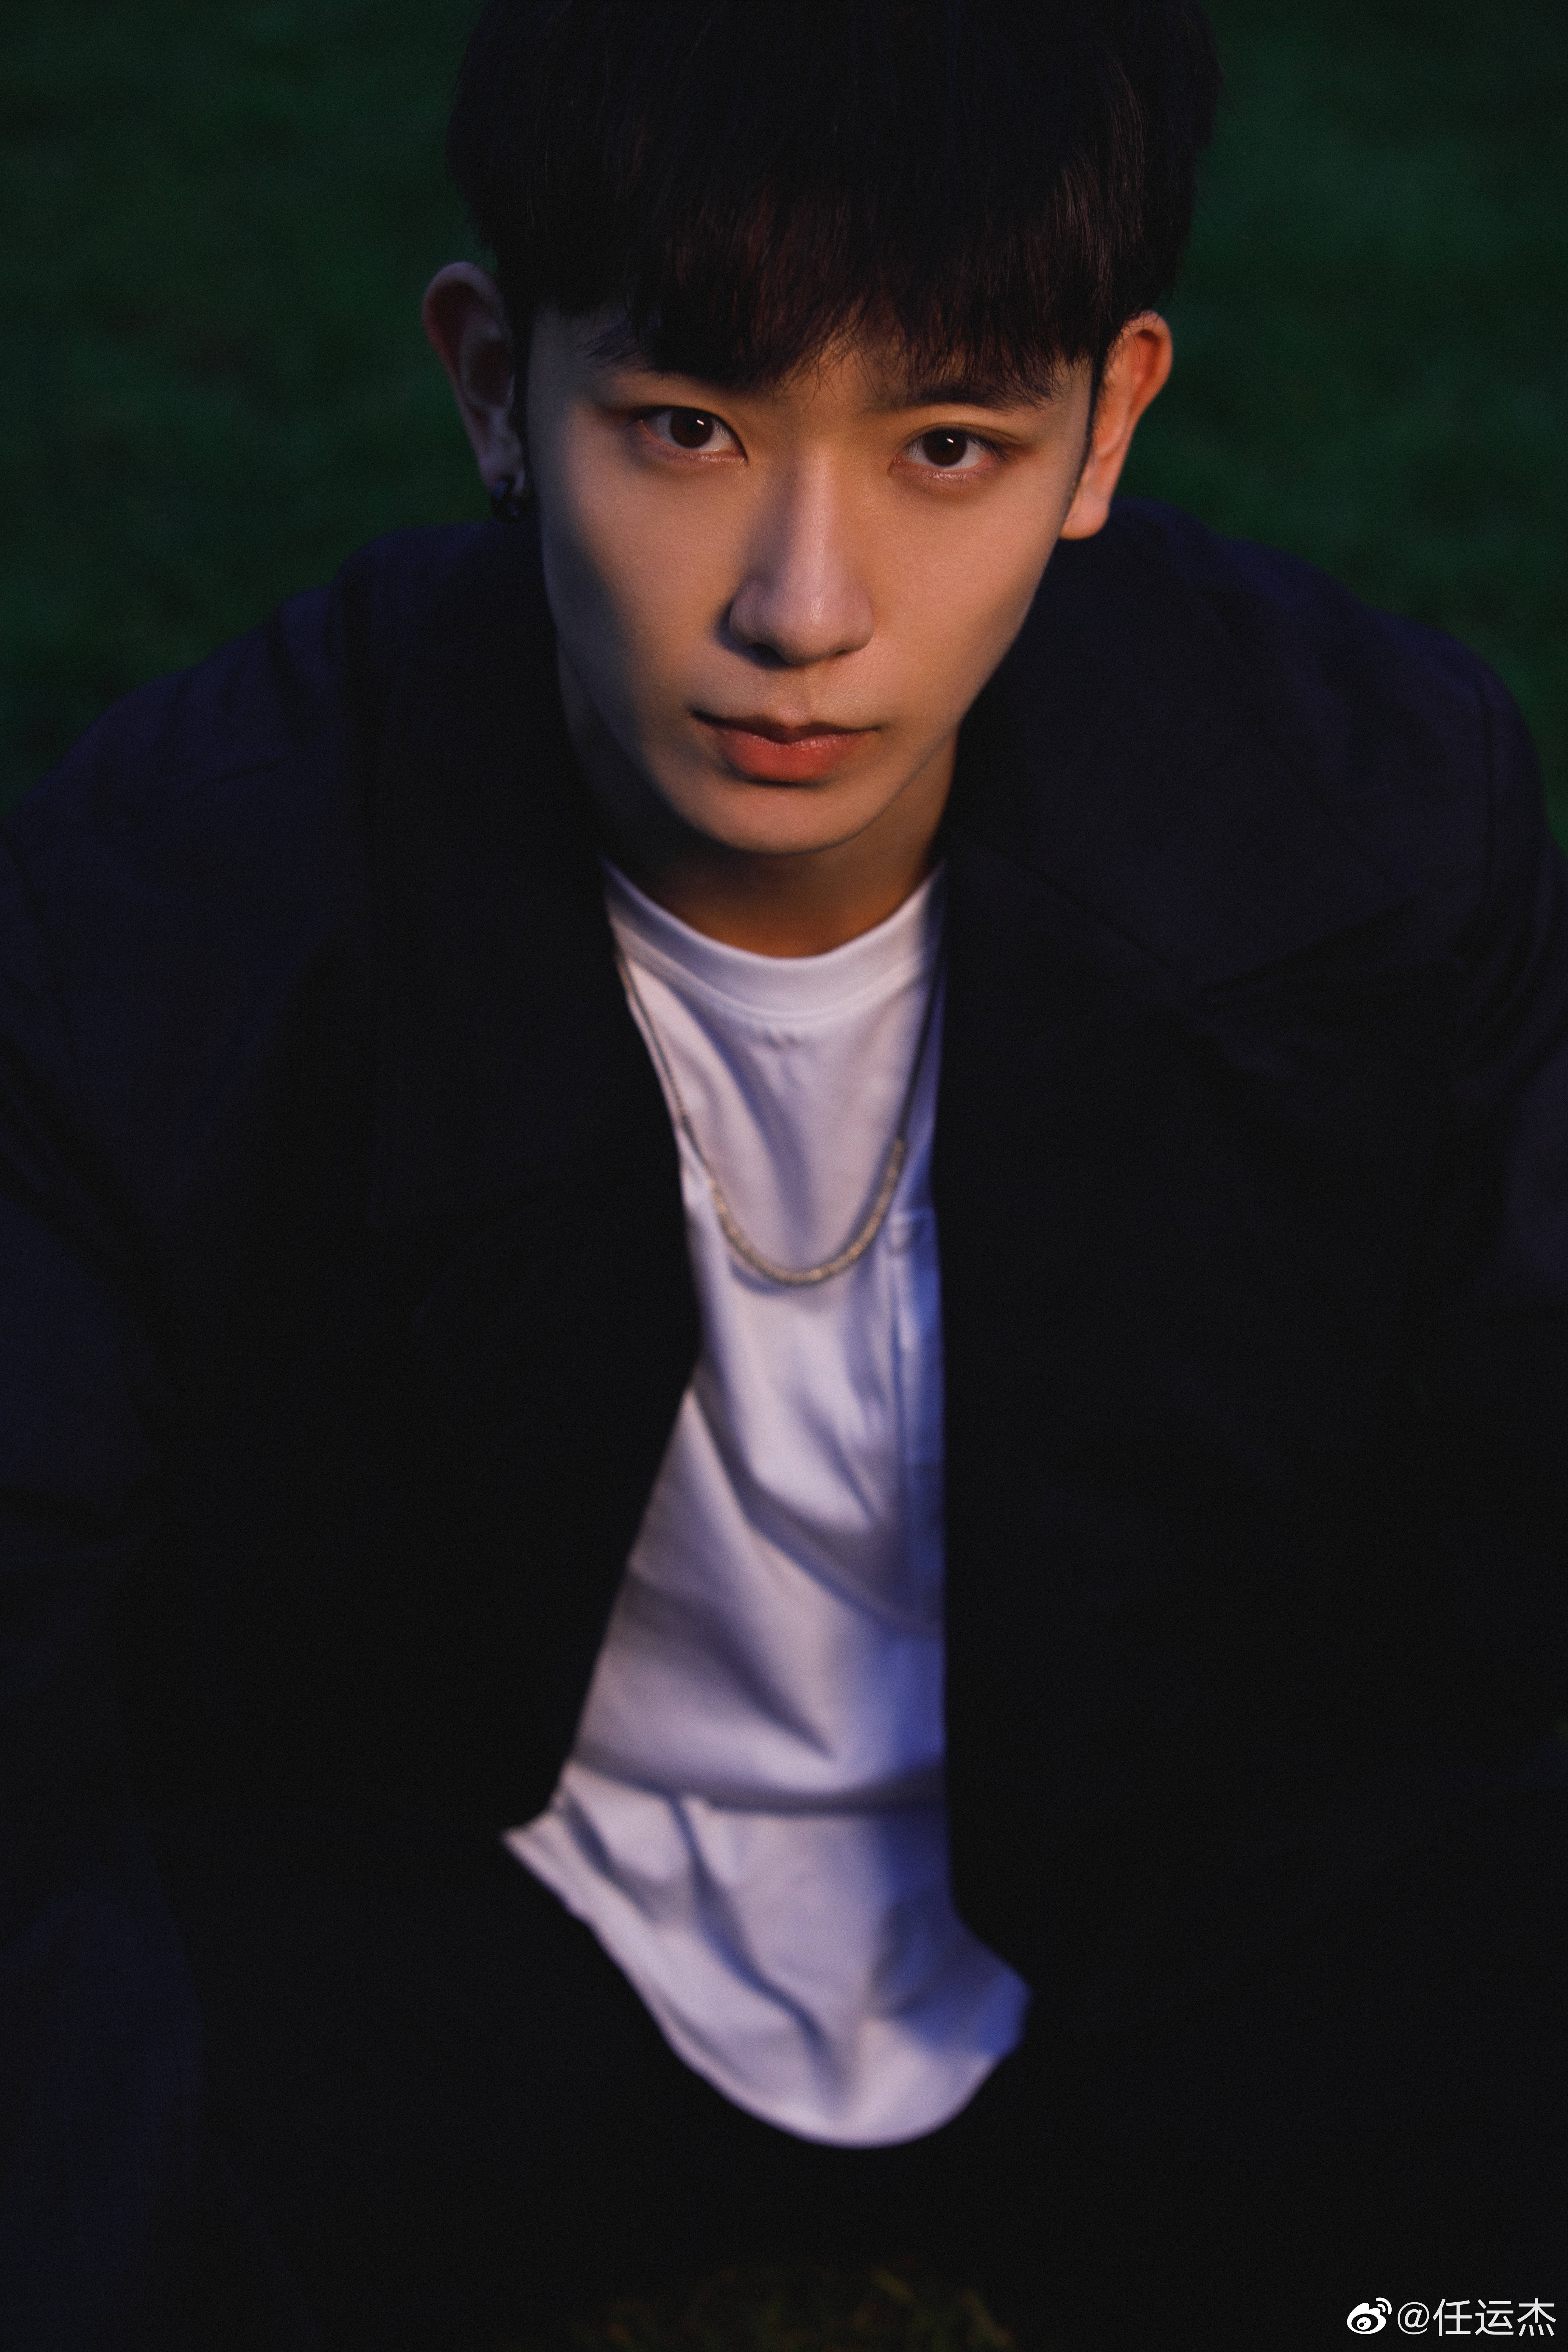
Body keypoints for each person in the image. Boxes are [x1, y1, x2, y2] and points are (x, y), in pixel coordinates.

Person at [2, 3, 1564, 2346]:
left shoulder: (1372, 829)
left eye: (948, 445)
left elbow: (1501, 1533)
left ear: (1107, 426)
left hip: (1152, 1915)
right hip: (470, 1913)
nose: (802, 609)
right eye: (688, 426)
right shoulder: (193, 883)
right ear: (491, 384)